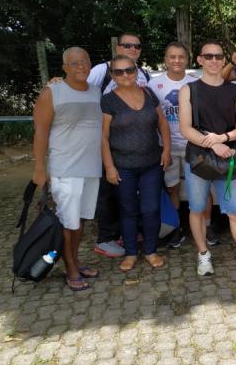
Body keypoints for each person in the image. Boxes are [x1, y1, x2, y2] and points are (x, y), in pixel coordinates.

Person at [179, 39, 236, 282]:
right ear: (200, 60)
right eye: (208, 56)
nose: (214, 61)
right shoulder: (189, 90)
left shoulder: (235, 91)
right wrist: (213, 144)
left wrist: (224, 138)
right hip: (198, 159)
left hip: (227, 159)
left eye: (218, 56)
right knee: (197, 209)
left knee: (235, 211)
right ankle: (203, 254)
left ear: (223, 60)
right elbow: (186, 128)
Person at [32, 47, 102, 291]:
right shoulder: (52, 92)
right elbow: (40, 133)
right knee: (66, 223)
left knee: (79, 221)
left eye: (85, 61)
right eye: (74, 63)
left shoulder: (96, 91)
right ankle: (70, 267)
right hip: (65, 168)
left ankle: (76, 260)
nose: (81, 66)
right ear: (64, 68)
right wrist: (40, 168)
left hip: (91, 168)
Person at [101, 55, 171, 272]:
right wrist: (109, 167)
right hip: (123, 166)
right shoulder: (108, 100)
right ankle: (131, 253)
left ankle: (150, 250)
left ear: (136, 71)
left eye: (129, 70)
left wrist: (167, 150)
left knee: (151, 209)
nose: (125, 75)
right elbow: (103, 137)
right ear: (112, 75)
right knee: (128, 210)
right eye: (119, 71)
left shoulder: (148, 93)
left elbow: (162, 123)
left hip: (152, 164)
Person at [148, 42, 217, 249]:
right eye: (172, 57)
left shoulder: (196, 82)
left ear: (187, 59)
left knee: (203, 188)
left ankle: (207, 225)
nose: (176, 60)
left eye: (180, 57)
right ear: (165, 59)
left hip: (194, 145)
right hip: (167, 146)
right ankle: (176, 227)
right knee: (172, 188)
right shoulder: (154, 85)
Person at [89, 32, 151, 258]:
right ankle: (105, 239)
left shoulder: (143, 74)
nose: (133, 49)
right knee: (107, 191)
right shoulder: (102, 70)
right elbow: (80, 87)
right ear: (117, 48)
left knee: (127, 193)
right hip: (106, 141)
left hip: (133, 146)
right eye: (127, 45)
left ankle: (127, 233)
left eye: (137, 46)